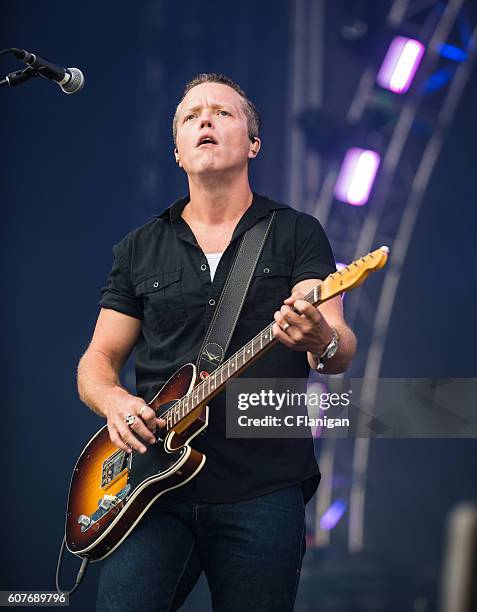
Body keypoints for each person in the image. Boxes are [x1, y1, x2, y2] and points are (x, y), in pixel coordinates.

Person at [77, 73, 356, 612]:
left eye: (222, 113)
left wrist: (318, 336)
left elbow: (339, 348)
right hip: (150, 491)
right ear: (177, 150)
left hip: (263, 486)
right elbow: (98, 360)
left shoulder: (297, 233)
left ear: (253, 143)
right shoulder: (139, 248)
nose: (205, 119)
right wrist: (114, 401)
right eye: (191, 116)